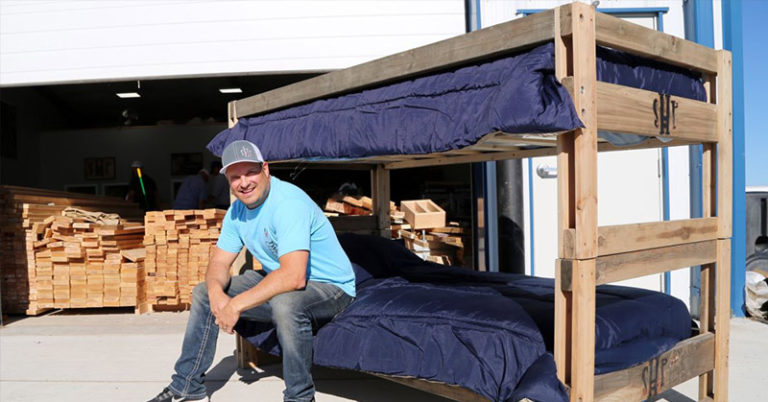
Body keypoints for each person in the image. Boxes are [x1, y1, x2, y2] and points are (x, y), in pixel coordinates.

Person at [147, 140, 356, 402]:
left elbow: (294, 276)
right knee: (203, 292)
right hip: (282, 280)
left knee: (286, 304)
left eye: (250, 172)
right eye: (235, 177)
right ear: (228, 180)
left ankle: (300, 397)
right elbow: (218, 263)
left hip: (330, 287)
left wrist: (235, 306)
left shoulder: (288, 204)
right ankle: (186, 385)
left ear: (265, 169)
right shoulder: (237, 212)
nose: (244, 182)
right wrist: (217, 294)